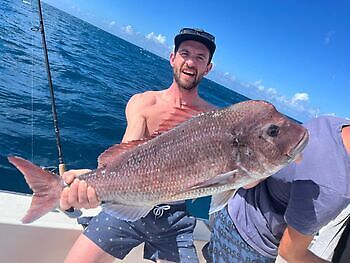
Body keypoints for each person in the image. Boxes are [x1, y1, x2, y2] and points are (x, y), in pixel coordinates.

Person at [60, 27, 217, 263]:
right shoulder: (143, 103)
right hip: (128, 207)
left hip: (173, 219)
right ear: (173, 58)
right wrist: (90, 180)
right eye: (185, 53)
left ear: (208, 68)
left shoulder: (212, 119)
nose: (191, 62)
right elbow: (124, 160)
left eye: (200, 58)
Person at [206, 115, 350, 263]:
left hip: (231, 208)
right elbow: (290, 253)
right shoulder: (336, 189)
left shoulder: (330, 122)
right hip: (250, 244)